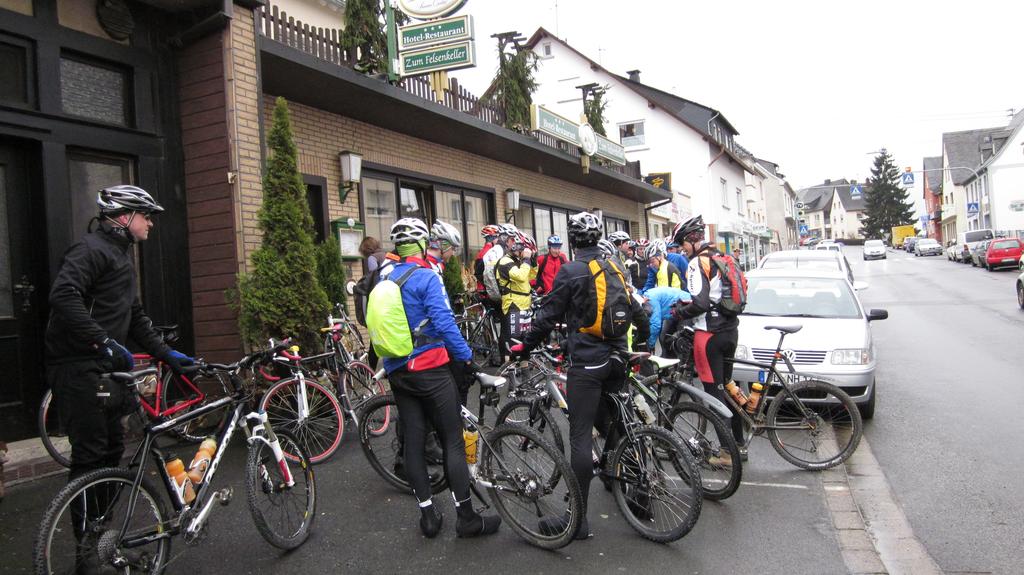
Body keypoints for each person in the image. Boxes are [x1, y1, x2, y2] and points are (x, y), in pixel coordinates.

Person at [45, 185, 194, 561]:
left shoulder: (120, 258)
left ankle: (100, 535)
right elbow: (63, 295)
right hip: (80, 367)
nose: (151, 225)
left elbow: (136, 319)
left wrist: (170, 356)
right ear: (124, 217)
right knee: (90, 456)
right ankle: (85, 549)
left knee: (113, 452)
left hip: (107, 372)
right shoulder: (90, 250)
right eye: (146, 217)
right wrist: (102, 342)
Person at [511, 212, 648, 540]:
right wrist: (641, 340)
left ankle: (578, 521)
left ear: (572, 241)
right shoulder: (614, 266)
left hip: (587, 364)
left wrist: (525, 347)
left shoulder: (571, 271)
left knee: (581, 437)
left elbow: (547, 317)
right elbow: (637, 309)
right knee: (614, 426)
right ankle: (640, 495)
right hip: (618, 359)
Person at [379, 218, 501, 539]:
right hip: (430, 368)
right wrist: (469, 361)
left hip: (397, 371)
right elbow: (445, 324)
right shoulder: (426, 277)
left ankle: (428, 518)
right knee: (452, 441)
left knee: (415, 444)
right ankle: (466, 518)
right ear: (422, 245)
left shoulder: (384, 277)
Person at [671, 214, 745, 457]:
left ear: (691, 241)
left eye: (682, 244)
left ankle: (725, 453)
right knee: (727, 388)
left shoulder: (696, 263)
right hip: (730, 330)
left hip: (709, 335)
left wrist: (681, 311)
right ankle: (739, 444)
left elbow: (701, 303)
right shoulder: (724, 257)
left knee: (714, 395)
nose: (682, 250)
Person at [495, 231, 534, 359]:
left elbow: (532, 276)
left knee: (524, 343)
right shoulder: (505, 261)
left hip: (524, 307)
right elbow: (521, 276)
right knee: (512, 343)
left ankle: (525, 371)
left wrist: (531, 261)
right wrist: (526, 260)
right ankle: (508, 372)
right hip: (514, 306)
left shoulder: (519, 261)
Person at [643, 286, 692, 355]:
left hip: (686, 306)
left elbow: (655, 325)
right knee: (665, 337)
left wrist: (649, 345)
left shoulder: (650, 299)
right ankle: (670, 362)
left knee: (681, 340)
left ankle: (685, 363)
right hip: (675, 310)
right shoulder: (647, 297)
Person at [473, 224, 501, 300]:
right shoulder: (487, 253)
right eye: (497, 237)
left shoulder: (489, 251)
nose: (499, 240)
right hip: (488, 292)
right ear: (491, 238)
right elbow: (480, 273)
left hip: (488, 290)